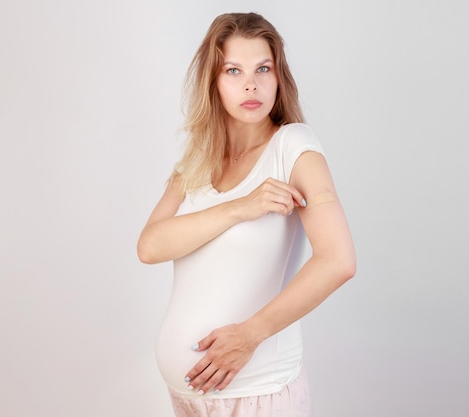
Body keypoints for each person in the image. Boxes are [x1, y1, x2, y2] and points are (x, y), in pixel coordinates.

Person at [137, 11, 356, 417]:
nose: (251, 84)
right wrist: (240, 207)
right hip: (187, 396)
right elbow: (150, 246)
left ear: (279, 77)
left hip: (259, 393)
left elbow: (339, 260)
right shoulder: (200, 157)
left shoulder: (293, 145)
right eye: (234, 70)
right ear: (213, 81)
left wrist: (249, 336)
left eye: (263, 69)